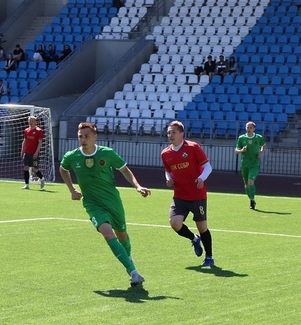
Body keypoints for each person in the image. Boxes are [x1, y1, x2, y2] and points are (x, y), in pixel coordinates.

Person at [60, 122, 151, 287]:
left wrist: (138, 186)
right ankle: (134, 272)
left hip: (113, 201)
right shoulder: (71, 156)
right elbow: (63, 169)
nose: (83, 139)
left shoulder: (107, 154)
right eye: (81, 136)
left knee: (122, 234)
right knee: (108, 234)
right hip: (92, 204)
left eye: (87, 136)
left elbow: (124, 169)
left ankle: (127, 259)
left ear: (95, 136)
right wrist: (72, 189)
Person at [161, 121, 214, 267]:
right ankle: (194, 238)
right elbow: (168, 171)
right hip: (179, 195)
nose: (170, 135)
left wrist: (201, 178)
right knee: (175, 223)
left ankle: (209, 257)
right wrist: (169, 179)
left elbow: (207, 166)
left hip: (197, 194)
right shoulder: (165, 153)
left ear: (181, 134)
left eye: (173, 132)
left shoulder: (193, 147)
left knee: (202, 226)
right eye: (168, 132)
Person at [235, 121, 266, 210]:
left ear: (254, 129)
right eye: (247, 127)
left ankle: (252, 200)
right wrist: (241, 151)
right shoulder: (241, 138)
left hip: (254, 163)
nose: (248, 129)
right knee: (246, 185)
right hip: (244, 163)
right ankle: (251, 198)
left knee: (250, 182)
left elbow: (264, 145)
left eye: (250, 128)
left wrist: (261, 152)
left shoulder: (258, 137)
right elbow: (236, 150)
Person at [20, 116, 45, 190]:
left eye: (32, 121)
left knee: (35, 169)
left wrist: (36, 152)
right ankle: (27, 184)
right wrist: (22, 151)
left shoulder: (39, 131)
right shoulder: (26, 130)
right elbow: (25, 141)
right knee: (25, 168)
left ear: (35, 122)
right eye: (29, 121)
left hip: (34, 154)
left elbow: (40, 142)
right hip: (27, 153)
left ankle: (42, 178)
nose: (30, 122)